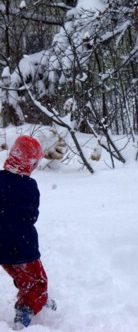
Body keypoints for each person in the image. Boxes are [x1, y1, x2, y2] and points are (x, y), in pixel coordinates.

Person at [0, 135, 56, 329]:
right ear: (30, 163)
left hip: (1, 247)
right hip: (22, 246)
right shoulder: (29, 186)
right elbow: (32, 215)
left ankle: (34, 298)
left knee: (20, 274)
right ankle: (27, 308)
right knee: (37, 281)